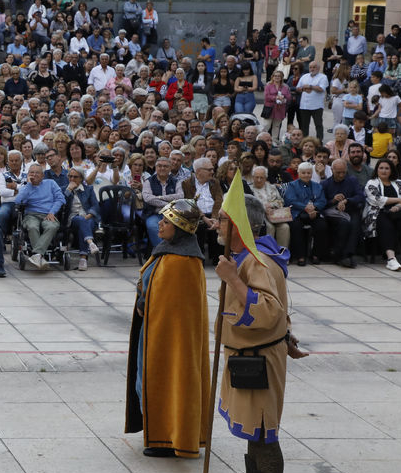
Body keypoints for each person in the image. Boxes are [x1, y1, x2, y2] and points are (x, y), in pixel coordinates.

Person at [214, 193, 307, 473]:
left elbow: (268, 309)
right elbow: (280, 306)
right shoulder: (249, 256)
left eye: (221, 219)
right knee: (257, 434)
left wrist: (231, 279)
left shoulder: (257, 260)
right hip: (253, 357)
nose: (215, 223)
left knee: (264, 435)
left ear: (238, 224)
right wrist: (286, 335)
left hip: (259, 363)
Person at [125, 199, 210, 459]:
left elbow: (172, 304)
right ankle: (160, 431)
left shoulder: (182, 262)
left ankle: (169, 438)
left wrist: (145, 302)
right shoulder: (168, 250)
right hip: (154, 331)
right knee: (147, 381)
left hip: (169, 338)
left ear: (180, 228)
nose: (160, 224)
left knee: (171, 380)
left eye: (166, 221)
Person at [364, 159, 401, 271]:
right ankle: (391, 259)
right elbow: (377, 199)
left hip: (398, 212)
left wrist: (397, 206)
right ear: (377, 170)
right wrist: (398, 200)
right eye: (381, 168)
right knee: (386, 226)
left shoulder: (398, 182)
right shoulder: (372, 182)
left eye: (387, 168)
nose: (384, 171)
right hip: (378, 212)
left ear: (391, 170)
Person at [14, 162, 65, 270]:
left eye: (37, 173)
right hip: (31, 214)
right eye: (32, 172)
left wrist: (52, 212)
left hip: (48, 214)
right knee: (32, 227)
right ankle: (39, 256)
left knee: (52, 226)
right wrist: (28, 185)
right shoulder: (26, 187)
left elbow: (61, 199)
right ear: (28, 175)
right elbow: (18, 201)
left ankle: (37, 255)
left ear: (42, 176)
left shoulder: (51, 183)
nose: (34, 175)